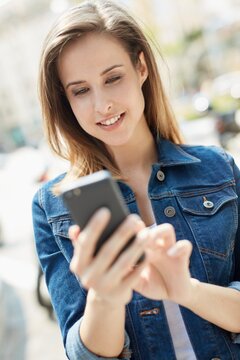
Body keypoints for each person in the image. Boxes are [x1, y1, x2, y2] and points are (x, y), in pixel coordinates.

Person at [32, 1, 240, 359]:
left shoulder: (219, 170)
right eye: (80, 90)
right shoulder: (53, 206)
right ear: (64, 100)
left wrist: (185, 290)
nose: (102, 105)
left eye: (113, 78)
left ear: (141, 67)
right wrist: (106, 295)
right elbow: (84, 354)